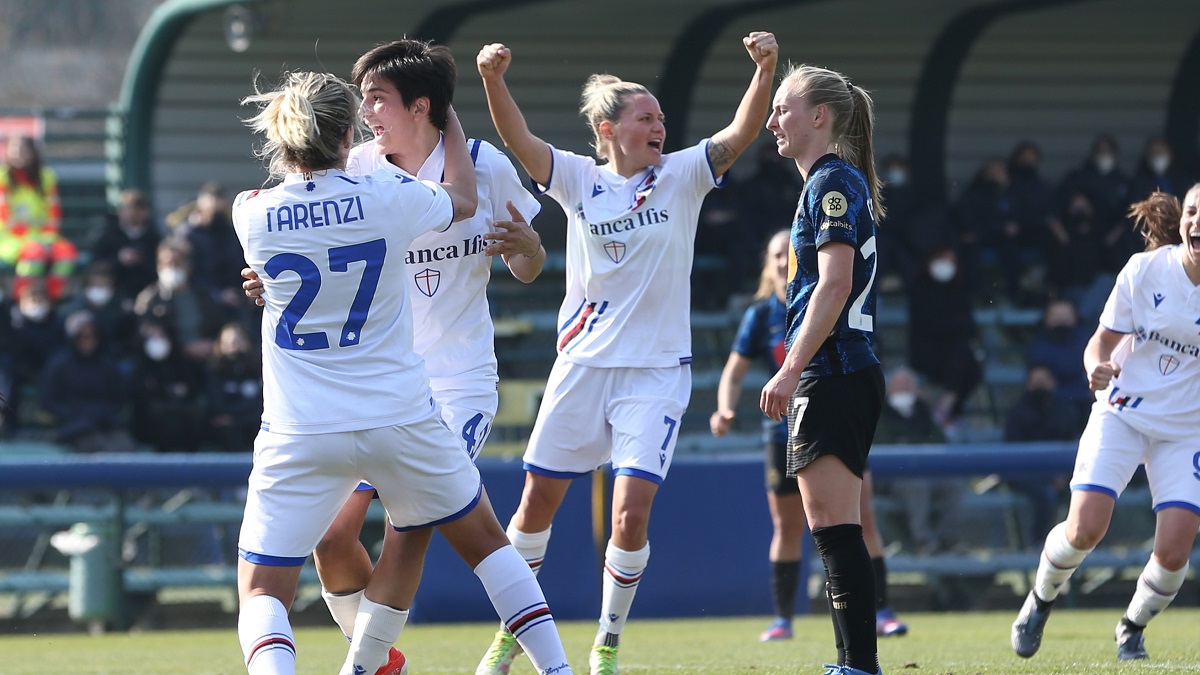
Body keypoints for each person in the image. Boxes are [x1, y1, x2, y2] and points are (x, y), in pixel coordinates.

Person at [232, 70, 572, 675]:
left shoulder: (250, 213)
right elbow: (460, 201)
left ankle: (363, 665)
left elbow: (299, 241)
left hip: (308, 425)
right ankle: (552, 670)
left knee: (264, 591)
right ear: (347, 132)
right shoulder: (387, 193)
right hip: (399, 411)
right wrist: (449, 110)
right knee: (484, 545)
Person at [474, 31, 778, 675]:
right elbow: (521, 143)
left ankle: (606, 643)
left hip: (656, 374)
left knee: (630, 511)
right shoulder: (579, 178)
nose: (660, 125)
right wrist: (493, 79)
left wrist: (765, 70)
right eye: (647, 117)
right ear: (608, 128)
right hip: (581, 367)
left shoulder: (684, 175)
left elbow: (742, 130)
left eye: (663, 117)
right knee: (532, 510)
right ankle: (513, 632)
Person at [1011, 188, 1200, 662]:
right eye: (1194, 212)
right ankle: (1040, 599)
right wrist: (1098, 368)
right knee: (1084, 531)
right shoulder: (1145, 269)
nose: (1197, 222)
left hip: (1186, 430)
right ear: (1183, 221)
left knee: (1176, 552)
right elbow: (1098, 344)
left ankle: (1131, 627)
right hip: (1123, 412)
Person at [711, 231, 908, 643]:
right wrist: (725, 407)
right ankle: (784, 618)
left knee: (860, 519)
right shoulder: (761, 314)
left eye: (790, 253)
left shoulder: (825, 301)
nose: (784, 261)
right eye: (776, 255)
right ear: (768, 264)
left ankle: (883, 610)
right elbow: (734, 370)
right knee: (788, 527)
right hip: (782, 431)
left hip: (833, 419)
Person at [758, 63, 887, 675]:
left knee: (835, 529)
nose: (772, 120)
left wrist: (788, 372)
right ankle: (853, 663)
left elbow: (833, 286)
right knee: (833, 527)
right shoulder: (829, 182)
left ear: (820, 116)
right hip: (843, 370)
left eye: (783, 108)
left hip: (833, 371)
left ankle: (857, 665)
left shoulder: (832, 183)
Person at [874, 366, 958, 556]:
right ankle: (923, 541)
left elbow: (939, 441)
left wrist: (908, 443)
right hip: (892, 477)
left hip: (928, 472)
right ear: (890, 389)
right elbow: (882, 445)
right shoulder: (879, 414)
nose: (904, 390)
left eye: (908, 386)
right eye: (900, 386)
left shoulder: (924, 412)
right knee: (917, 486)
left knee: (953, 484)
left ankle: (948, 538)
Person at [0, 134, 77, 301]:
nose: (19, 154)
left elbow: (53, 215)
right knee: (34, 254)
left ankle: (50, 299)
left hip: (43, 238)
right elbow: (6, 219)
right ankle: (21, 301)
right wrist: (33, 237)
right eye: (15, 150)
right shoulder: (2, 178)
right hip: (9, 239)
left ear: (33, 153)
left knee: (66, 253)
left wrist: (45, 238)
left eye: (24, 150)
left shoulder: (46, 177)